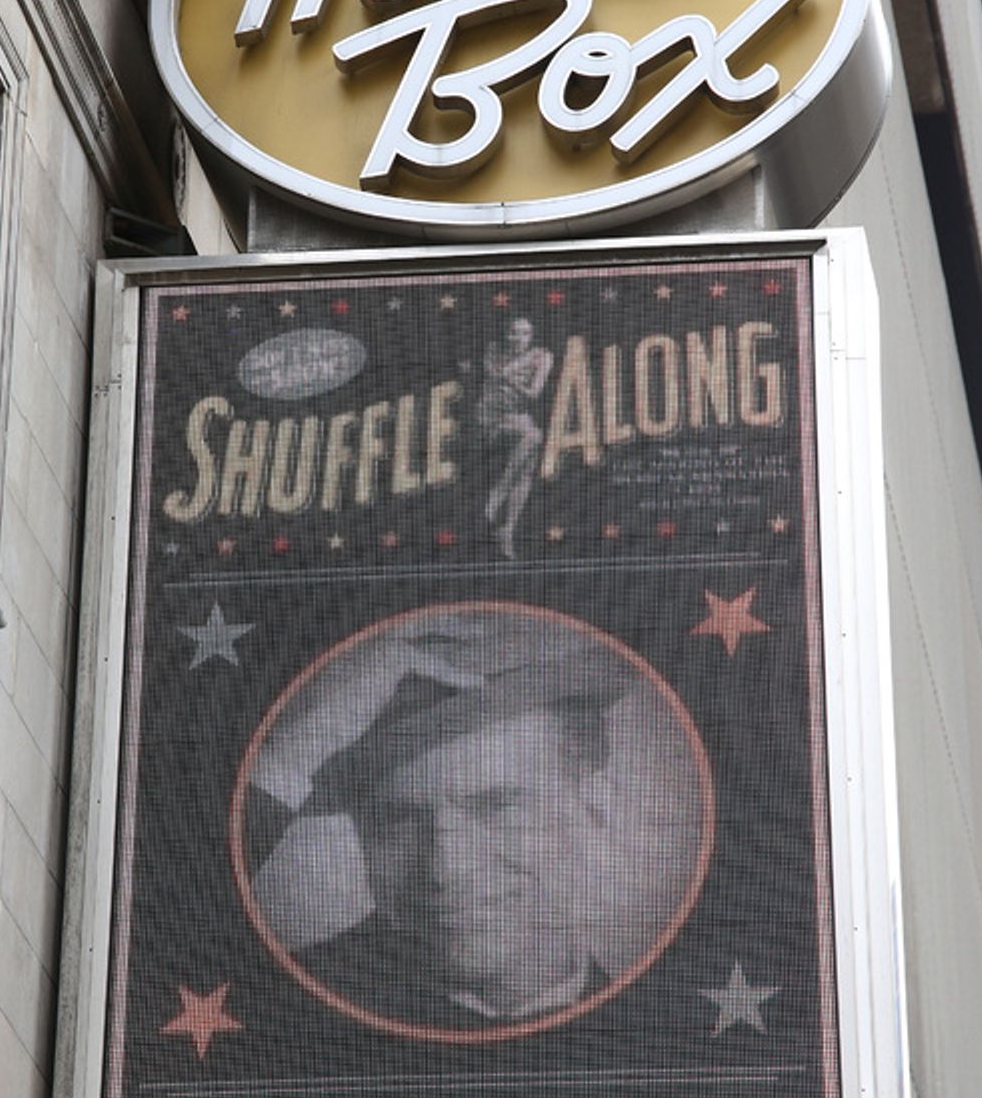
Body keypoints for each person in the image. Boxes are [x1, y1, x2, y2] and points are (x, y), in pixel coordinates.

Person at [243, 610, 710, 1033]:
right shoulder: (278, 1013)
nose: (447, 867)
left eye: (498, 806)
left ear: (595, 809)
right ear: (362, 836)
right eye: (399, 820)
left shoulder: (675, 1027)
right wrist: (289, 752)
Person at [476, 317, 553, 559]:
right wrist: (508, 378)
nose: (519, 339)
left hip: (518, 415)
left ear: (532, 337)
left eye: (525, 334)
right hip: (492, 417)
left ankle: (507, 529)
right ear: (506, 335)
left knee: (527, 468)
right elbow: (491, 384)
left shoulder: (542, 356)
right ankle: (496, 496)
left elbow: (534, 394)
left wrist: (509, 380)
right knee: (534, 436)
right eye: (513, 333)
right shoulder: (493, 351)